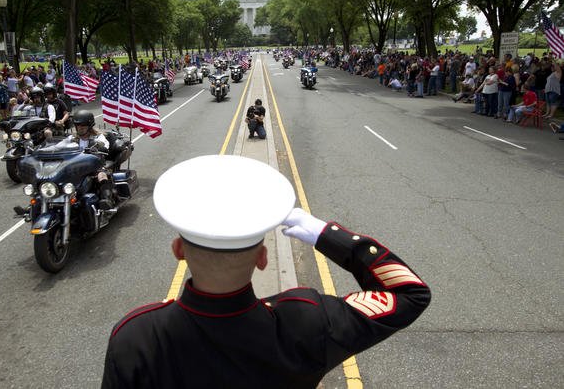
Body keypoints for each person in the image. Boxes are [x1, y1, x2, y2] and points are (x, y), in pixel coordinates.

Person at [101, 155, 431, 388]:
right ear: (263, 258)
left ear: (179, 252)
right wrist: (325, 234)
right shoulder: (307, 321)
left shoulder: (135, 337)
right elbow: (410, 294)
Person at [71, 110, 115, 210]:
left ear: (89, 126)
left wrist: (99, 147)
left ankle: (106, 199)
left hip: (95, 166)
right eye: (78, 125)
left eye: (83, 125)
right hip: (75, 167)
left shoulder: (98, 137)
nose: (80, 128)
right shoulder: (72, 139)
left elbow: (104, 147)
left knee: (101, 175)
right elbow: (62, 146)